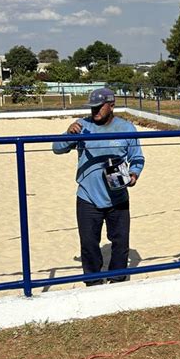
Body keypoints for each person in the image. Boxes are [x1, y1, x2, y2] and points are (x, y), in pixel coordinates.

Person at [53, 87, 144, 285]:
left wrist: (134, 175)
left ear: (111, 105)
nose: (94, 111)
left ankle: (117, 278)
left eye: (98, 107)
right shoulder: (81, 125)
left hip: (118, 196)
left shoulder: (126, 128)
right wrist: (69, 135)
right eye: (92, 108)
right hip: (87, 196)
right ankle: (93, 281)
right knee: (88, 243)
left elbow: (137, 158)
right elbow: (56, 148)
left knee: (120, 243)